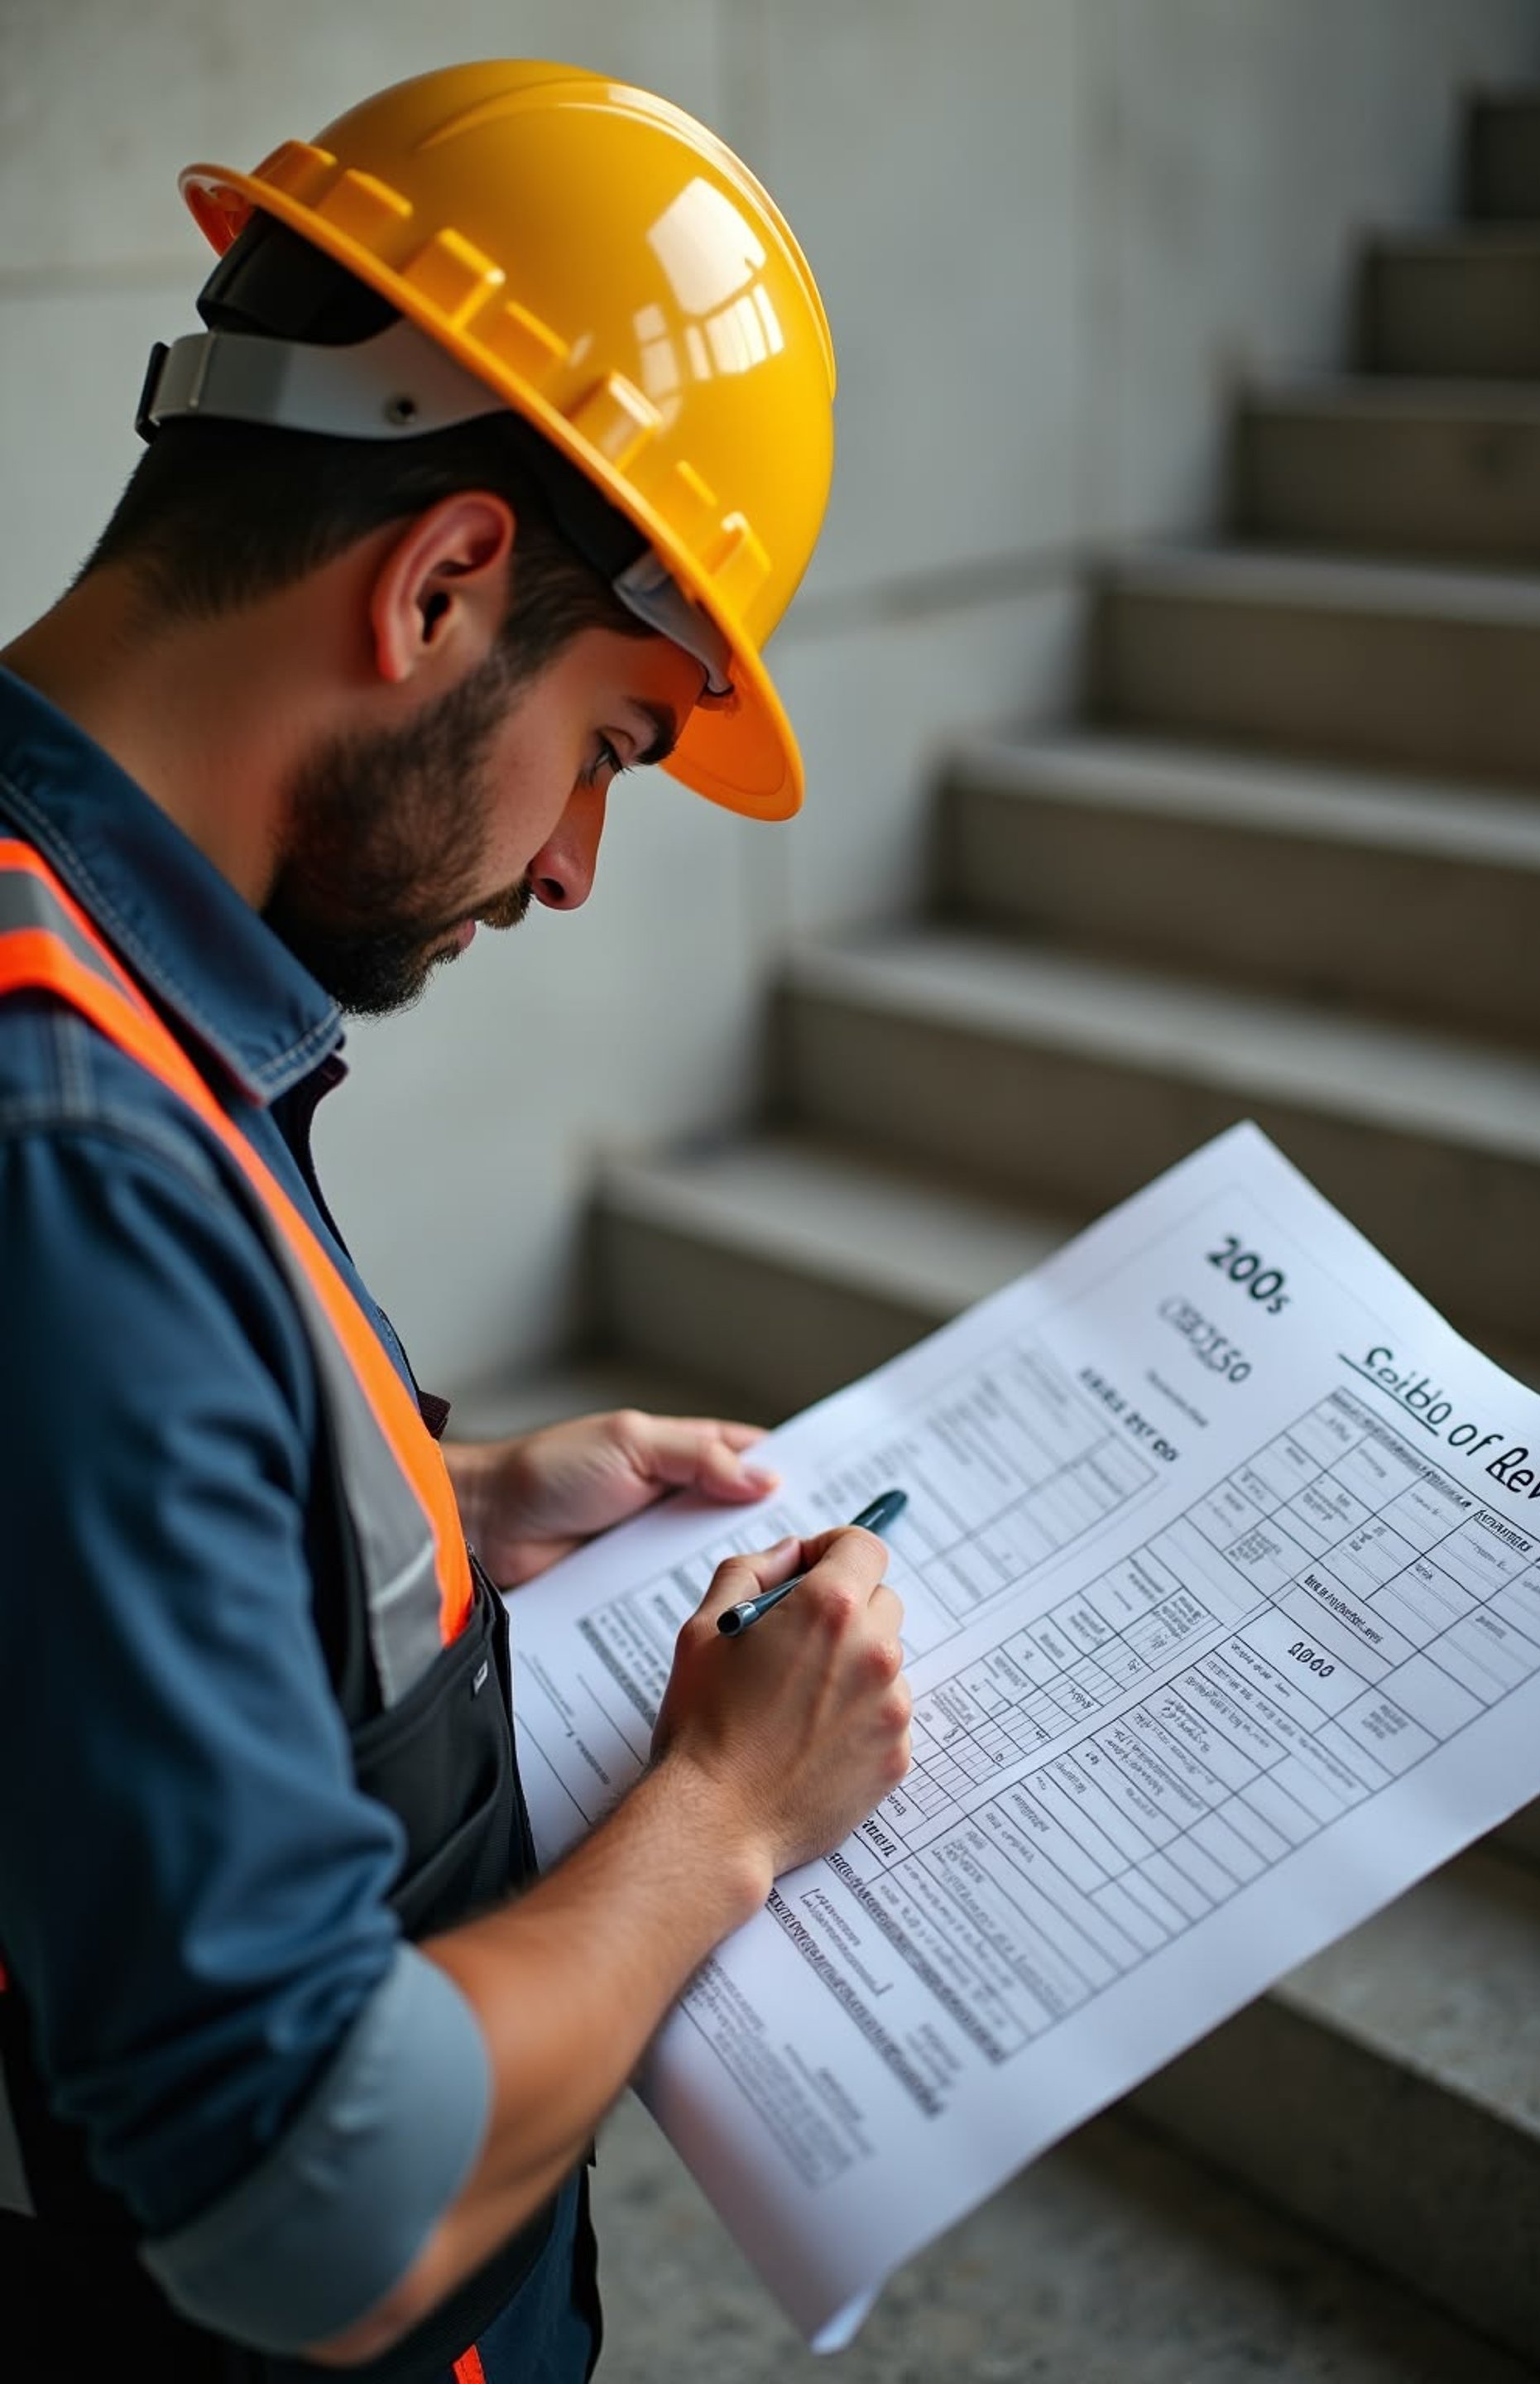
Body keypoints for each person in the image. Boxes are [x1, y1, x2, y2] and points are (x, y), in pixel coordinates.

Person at [0, 60, 911, 2384]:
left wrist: (438, 1512)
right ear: (439, 585)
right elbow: (299, 2194)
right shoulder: (71, 1150)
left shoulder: (81, 968)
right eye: (609, 747)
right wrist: (727, 1814)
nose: (577, 868)